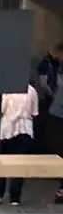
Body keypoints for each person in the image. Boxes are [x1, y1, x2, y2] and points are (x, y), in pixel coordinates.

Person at [0, 82, 38, 205]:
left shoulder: (6, 90)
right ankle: (15, 197)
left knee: (1, 162)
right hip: (25, 130)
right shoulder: (32, 90)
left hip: (6, 130)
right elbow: (34, 112)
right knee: (20, 164)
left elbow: (1, 110)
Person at [33, 39, 63, 202]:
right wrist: (53, 95)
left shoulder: (56, 65)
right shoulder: (47, 63)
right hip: (48, 102)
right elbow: (43, 83)